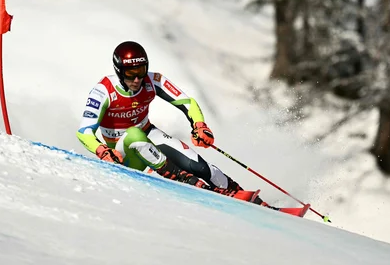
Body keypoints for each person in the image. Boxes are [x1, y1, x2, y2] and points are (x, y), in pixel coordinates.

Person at [76, 40, 278, 209]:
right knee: (134, 136)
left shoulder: (153, 80)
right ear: (119, 71)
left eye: (141, 70)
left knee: (197, 164)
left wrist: (199, 125)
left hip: (148, 133)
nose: (137, 79)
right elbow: (84, 131)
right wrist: (102, 150)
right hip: (123, 152)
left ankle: (249, 199)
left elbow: (187, 103)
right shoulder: (103, 90)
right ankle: (184, 180)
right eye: (130, 74)